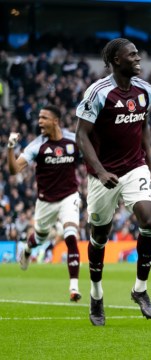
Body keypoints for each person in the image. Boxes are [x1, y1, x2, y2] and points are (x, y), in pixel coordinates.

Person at [76, 38, 151, 326]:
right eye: (132, 55)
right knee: (99, 236)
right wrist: (99, 171)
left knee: (149, 221)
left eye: (137, 54)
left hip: (134, 167)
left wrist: (150, 165)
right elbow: (81, 135)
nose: (138, 58)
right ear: (115, 61)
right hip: (103, 174)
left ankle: (140, 290)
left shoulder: (145, 90)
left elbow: (143, 127)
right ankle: (96, 294)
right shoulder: (99, 92)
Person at [7, 104, 82, 302]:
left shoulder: (74, 141)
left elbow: (92, 156)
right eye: (39, 118)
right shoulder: (36, 146)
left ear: (55, 121)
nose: (39, 121)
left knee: (71, 234)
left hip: (69, 196)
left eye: (44, 118)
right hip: (46, 201)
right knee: (39, 237)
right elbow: (14, 170)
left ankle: (74, 287)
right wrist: (10, 148)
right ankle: (27, 250)